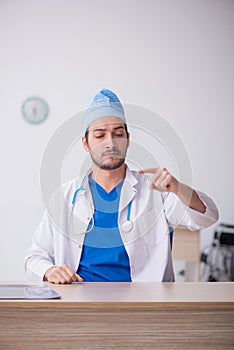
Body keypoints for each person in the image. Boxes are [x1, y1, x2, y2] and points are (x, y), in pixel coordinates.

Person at [25, 88, 219, 283]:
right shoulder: (65, 197)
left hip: (143, 304)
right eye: (100, 136)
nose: (110, 143)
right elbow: (34, 257)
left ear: (128, 140)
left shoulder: (157, 191)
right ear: (86, 143)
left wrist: (178, 188)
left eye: (118, 134)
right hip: (79, 302)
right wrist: (49, 270)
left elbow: (207, 216)